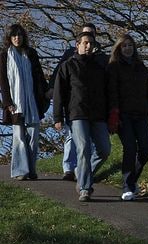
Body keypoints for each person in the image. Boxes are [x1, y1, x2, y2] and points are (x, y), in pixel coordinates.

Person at [53, 31, 111, 202]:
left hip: (98, 115)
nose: (88, 46)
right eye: (85, 43)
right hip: (77, 114)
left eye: (91, 43)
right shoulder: (67, 66)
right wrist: (58, 117)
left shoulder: (99, 68)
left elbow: (106, 93)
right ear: (77, 45)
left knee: (104, 149)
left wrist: (109, 115)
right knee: (84, 148)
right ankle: (85, 188)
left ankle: (81, 172)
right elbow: (59, 93)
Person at [107, 33, 148, 201]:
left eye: (130, 45)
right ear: (118, 48)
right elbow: (112, 92)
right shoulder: (114, 67)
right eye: (124, 46)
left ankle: (131, 180)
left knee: (146, 148)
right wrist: (114, 114)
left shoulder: (141, 67)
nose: (127, 48)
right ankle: (127, 186)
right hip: (124, 115)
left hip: (141, 114)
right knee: (130, 148)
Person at [0, 24, 49, 180]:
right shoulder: (4, 56)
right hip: (15, 103)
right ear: (9, 37)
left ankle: (32, 169)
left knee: (33, 136)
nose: (17, 38)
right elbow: (3, 81)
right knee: (19, 137)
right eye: (14, 35)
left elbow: (39, 76)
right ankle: (21, 171)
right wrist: (7, 102)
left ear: (24, 37)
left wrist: (45, 94)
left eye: (20, 35)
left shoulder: (31, 53)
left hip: (32, 101)